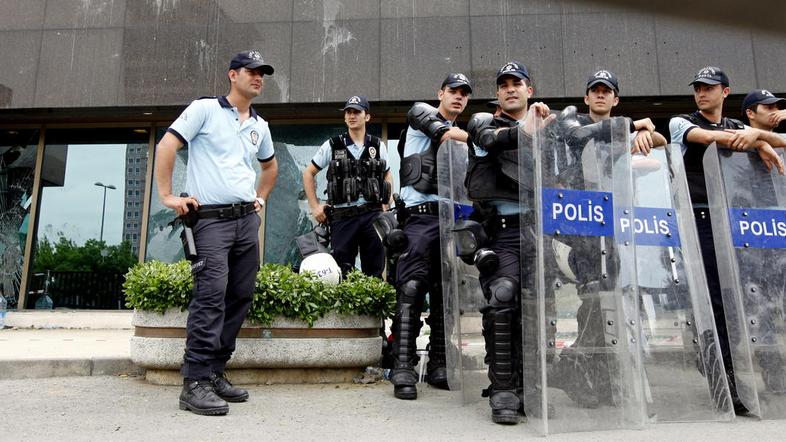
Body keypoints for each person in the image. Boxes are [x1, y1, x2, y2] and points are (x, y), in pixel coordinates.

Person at [155, 50, 279, 416]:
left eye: (262, 74)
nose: (258, 78)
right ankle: (194, 382)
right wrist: (166, 195)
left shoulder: (261, 125)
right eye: (251, 72)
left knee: (240, 295)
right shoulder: (205, 109)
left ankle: (215, 371)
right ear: (232, 75)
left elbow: (269, 168)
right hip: (209, 220)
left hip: (245, 221)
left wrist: (260, 199)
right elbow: (167, 145)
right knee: (210, 297)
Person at [669, 66, 783, 413]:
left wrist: (762, 139)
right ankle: (725, 380)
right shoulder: (680, 121)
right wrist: (755, 139)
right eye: (698, 88)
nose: (702, 93)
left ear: (725, 92)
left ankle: (726, 365)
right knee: (715, 299)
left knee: (738, 299)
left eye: (709, 88)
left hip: (733, 221)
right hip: (699, 218)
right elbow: (700, 138)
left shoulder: (737, 126)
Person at [466, 61, 554, 424]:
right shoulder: (482, 122)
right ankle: (503, 388)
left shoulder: (547, 128)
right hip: (501, 231)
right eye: (503, 85)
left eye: (517, 83)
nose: (510, 88)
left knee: (536, 310)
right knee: (502, 297)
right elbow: (490, 140)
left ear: (529, 90)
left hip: (540, 229)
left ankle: (530, 387)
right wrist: (529, 126)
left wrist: (640, 127)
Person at [388, 73, 473, 401]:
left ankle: (440, 361)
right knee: (411, 289)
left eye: (464, 94)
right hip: (420, 218)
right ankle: (403, 366)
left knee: (444, 293)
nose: (458, 97)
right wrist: (476, 136)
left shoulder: (463, 139)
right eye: (453, 91)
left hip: (452, 220)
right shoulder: (421, 114)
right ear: (441, 92)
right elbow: (441, 131)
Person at [302, 96, 392, 278]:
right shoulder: (332, 145)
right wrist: (315, 206)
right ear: (344, 117)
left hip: (372, 216)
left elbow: (387, 174)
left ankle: (372, 307)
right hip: (343, 218)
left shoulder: (378, 145)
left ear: (367, 116)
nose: (352, 116)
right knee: (341, 272)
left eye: (357, 112)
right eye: (348, 112)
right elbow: (308, 173)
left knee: (374, 270)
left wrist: (387, 202)